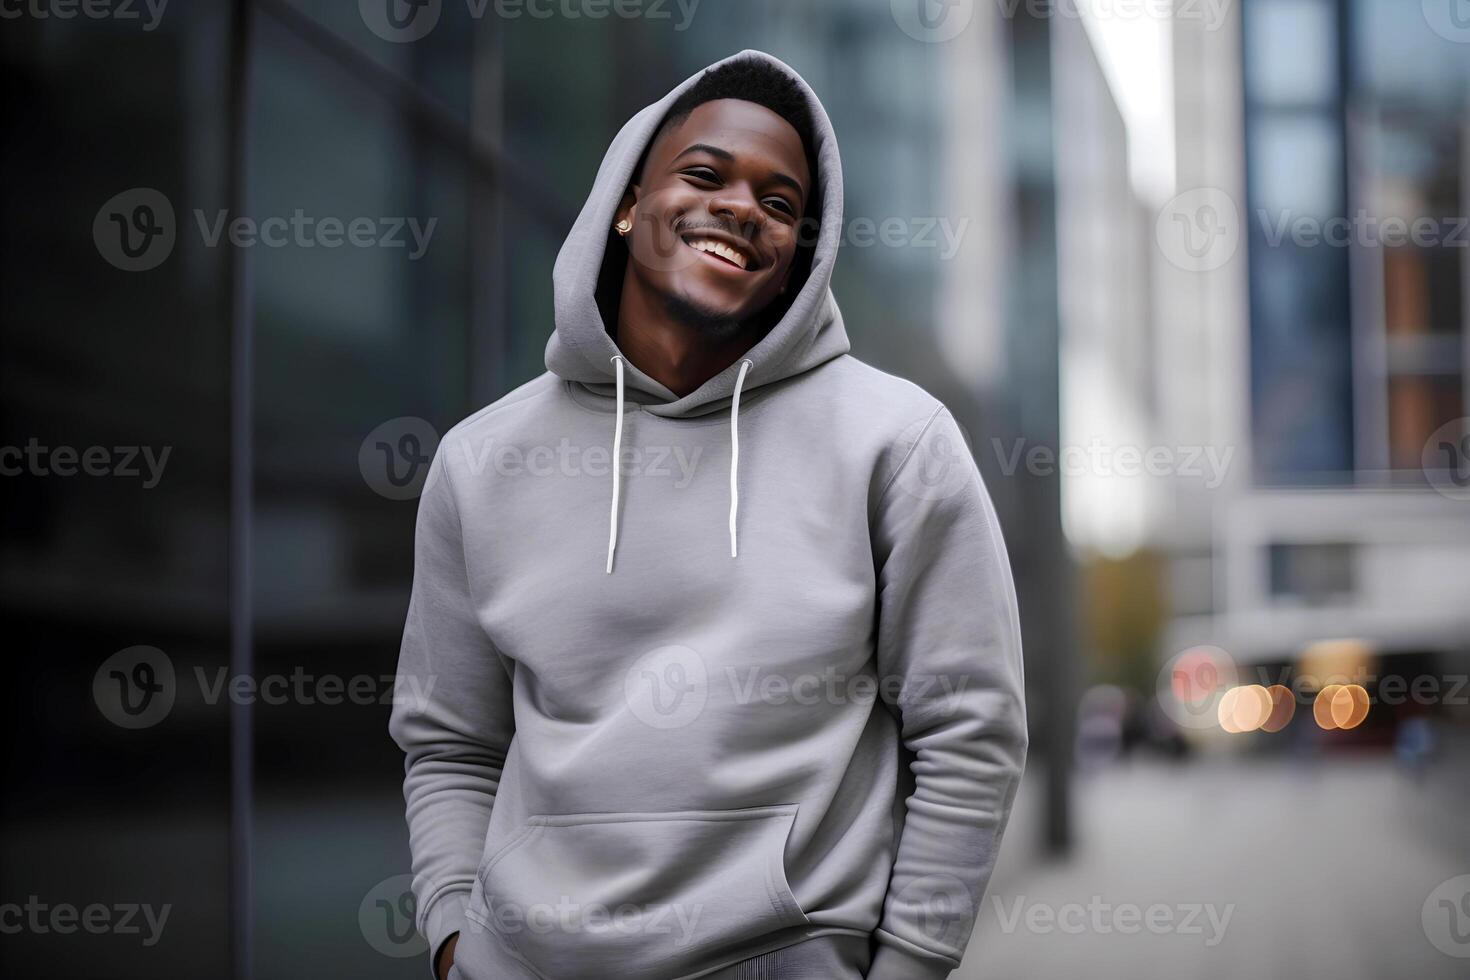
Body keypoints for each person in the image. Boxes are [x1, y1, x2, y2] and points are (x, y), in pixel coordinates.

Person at [390, 49, 1027, 980]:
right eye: (704, 174)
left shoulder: (897, 443)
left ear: (795, 260)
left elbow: (971, 729)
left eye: (780, 204)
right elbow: (449, 740)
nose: (740, 208)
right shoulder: (481, 462)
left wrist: (909, 965)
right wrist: (454, 936)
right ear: (624, 202)